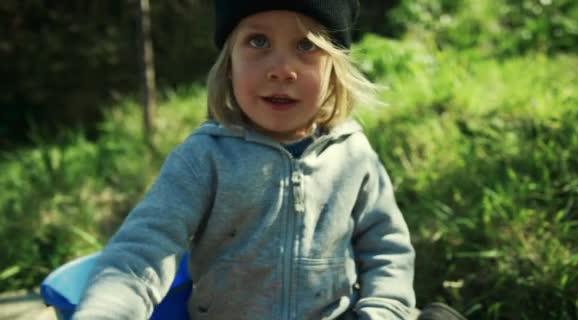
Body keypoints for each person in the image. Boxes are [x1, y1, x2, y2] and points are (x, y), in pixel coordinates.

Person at [73, 1, 465, 319]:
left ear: (335, 68)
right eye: (258, 42)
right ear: (228, 64)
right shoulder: (204, 158)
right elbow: (141, 251)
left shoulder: (353, 155)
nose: (281, 70)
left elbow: (386, 250)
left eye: (307, 45)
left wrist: (382, 311)